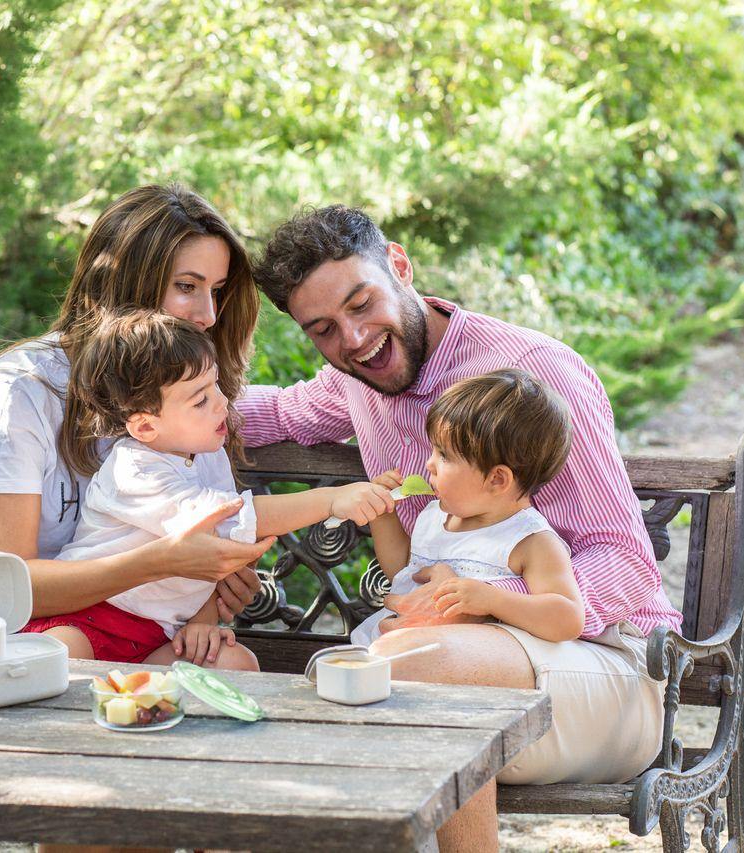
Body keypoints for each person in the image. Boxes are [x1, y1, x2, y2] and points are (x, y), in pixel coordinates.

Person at [237, 204, 682, 852]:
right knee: (361, 676)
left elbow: (625, 560)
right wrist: (135, 400)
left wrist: (484, 606)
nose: (355, 338)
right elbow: (271, 413)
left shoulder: (534, 378)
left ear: (399, 264)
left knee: (413, 664)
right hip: (448, 661)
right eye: (324, 329)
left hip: (605, 665)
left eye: (363, 303)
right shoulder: (355, 381)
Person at [0, 184, 267, 639]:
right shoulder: (21, 391)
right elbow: (0, 586)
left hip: (146, 643)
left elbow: (208, 539)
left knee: (234, 668)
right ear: (126, 283)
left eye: (217, 291)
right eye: (186, 286)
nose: (208, 314)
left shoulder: (191, 402)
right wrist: (158, 563)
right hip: (25, 645)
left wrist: (213, 583)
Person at [32, 309, 395, 668]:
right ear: (145, 428)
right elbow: (228, 518)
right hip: (88, 616)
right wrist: (331, 499)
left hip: (159, 633)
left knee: (237, 664)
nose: (222, 402)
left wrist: (203, 620)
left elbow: (218, 553)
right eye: (200, 399)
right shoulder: (134, 470)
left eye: (216, 384)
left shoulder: (208, 453)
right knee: (59, 657)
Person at [353, 369, 583, 648]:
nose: (429, 464)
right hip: (385, 643)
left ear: (496, 479)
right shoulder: (436, 515)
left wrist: (491, 599)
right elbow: (403, 572)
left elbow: (567, 618)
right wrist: (384, 516)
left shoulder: (530, 541)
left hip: (451, 662)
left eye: (444, 456)